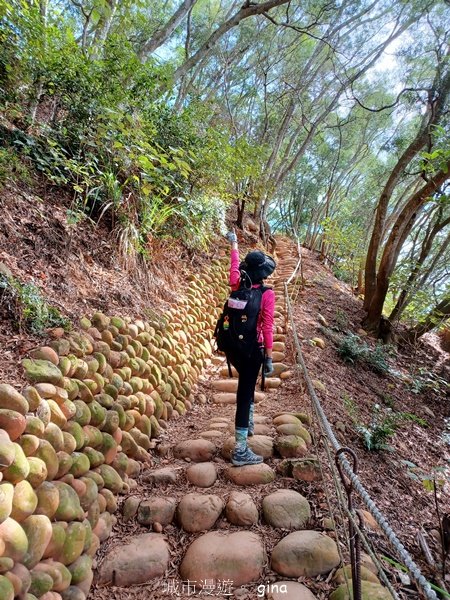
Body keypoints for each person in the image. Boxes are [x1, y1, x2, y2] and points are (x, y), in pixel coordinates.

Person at [225, 230, 276, 466]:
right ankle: (240, 449)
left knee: (246, 384)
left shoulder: (236, 283)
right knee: (245, 394)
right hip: (252, 348)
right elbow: (267, 326)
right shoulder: (266, 294)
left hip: (232, 346)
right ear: (263, 273)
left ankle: (250, 423)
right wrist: (268, 356)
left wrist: (234, 244)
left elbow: (234, 267)